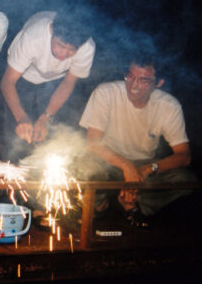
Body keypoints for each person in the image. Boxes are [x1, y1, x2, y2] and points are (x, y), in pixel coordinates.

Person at [79, 56, 197, 227]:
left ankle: (131, 201)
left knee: (185, 179)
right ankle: (99, 205)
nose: (133, 85)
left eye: (143, 80)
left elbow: (184, 156)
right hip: (108, 161)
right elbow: (93, 143)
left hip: (144, 166)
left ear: (158, 83)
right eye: (130, 76)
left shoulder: (169, 106)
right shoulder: (106, 92)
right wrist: (126, 166)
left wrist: (147, 169)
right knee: (84, 167)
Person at [0, 11, 95, 147]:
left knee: (48, 133)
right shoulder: (33, 37)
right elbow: (7, 82)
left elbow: (68, 83)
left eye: (71, 49)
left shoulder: (87, 48)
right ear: (51, 30)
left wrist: (46, 118)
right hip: (23, 74)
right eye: (60, 45)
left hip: (56, 79)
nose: (64, 53)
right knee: (17, 132)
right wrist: (21, 117)